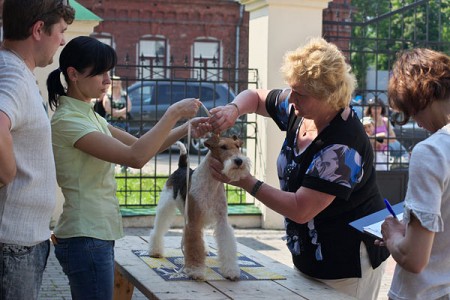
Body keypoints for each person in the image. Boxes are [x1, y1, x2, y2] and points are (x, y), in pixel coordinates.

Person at [208, 37, 389, 299]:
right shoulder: (300, 108)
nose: (291, 97)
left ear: (329, 96)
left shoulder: (342, 144)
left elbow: (301, 209)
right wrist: (233, 109)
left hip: (346, 264)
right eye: (291, 89)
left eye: (300, 93)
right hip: (309, 255)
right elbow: (257, 98)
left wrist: (246, 182)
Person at [47, 36, 209, 299]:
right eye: (99, 72)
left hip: (94, 234)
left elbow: (142, 146)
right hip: (85, 235)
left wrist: (185, 128)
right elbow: (136, 158)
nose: (108, 81)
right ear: (73, 74)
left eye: (108, 72)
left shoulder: (87, 115)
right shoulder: (68, 121)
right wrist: (173, 113)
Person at [0, 1, 75, 299]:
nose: (63, 40)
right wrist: (6, 172)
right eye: (61, 31)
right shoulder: (14, 77)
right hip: (14, 247)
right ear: (38, 29)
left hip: (18, 244)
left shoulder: (12, 68)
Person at [376, 48, 450, 299]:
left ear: (421, 95)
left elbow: (414, 258)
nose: (416, 122)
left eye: (411, 110)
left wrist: (393, 236)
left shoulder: (432, 151)